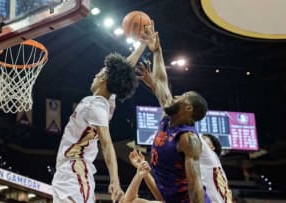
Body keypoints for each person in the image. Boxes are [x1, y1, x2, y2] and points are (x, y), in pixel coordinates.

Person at [52, 43, 147, 203]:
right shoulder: (108, 101)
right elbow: (123, 69)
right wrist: (143, 44)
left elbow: (107, 144)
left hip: (74, 170)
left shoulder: (95, 105)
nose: (94, 77)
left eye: (98, 73)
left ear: (103, 77)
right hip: (70, 171)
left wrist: (114, 180)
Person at [136, 21, 211, 203]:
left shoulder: (188, 139)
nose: (176, 95)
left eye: (182, 96)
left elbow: (194, 186)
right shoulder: (167, 118)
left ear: (188, 108)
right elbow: (162, 81)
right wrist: (157, 51)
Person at [200, 134, 233, 202]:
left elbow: (191, 134)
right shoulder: (214, 163)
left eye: (204, 138)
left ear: (212, 147)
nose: (201, 139)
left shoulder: (209, 155)